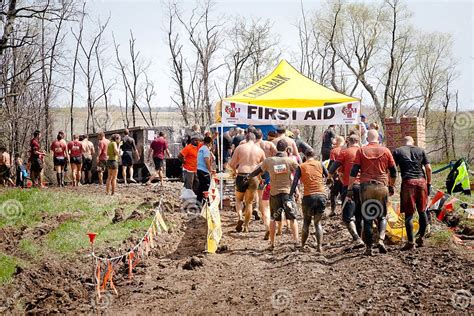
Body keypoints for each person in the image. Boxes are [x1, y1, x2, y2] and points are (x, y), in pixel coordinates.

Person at [348, 129, 397, 256]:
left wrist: (349, 188)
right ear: (378, 138)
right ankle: (381, 239)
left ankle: (369, 248)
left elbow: (354, 172)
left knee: (368, 218)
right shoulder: (386, 151)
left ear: (367, 138)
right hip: (382, 187)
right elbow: (394, 171)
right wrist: (392, 185)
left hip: (366, 188)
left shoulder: (361, 150)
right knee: (382, 216)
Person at [246, 139, 299, 250]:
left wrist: (249, 176)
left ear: (276, 148)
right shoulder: (290, 161)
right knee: (292, 218)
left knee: (273, 219)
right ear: (286, 149)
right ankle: (296, 241)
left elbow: (257, 171)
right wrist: (296, 188)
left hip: (274, 194)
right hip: (287, 194)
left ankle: (272, 243)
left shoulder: (269, 161)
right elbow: (300, 171)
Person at [392, 136, 432, 250]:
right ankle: (421, 237)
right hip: (421, 182)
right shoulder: (421, 150)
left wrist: (391, 184)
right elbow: (428, 168)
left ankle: (411, 242)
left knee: (409, 214)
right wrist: (429, 184)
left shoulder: (398, 151)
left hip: (408, 183)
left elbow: (393, 170)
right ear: (413, 142)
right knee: (422, 211)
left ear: (402, 142)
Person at [328, 135, 365, 248]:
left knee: (347, 217)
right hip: (364, 187)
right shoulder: (364, 152)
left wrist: (330, 176)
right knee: (360, 215)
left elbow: (332, 168)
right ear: (359, 141)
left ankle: (357, 238)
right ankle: (361, 239)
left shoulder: (344, 153)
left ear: (348, 142)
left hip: (349, 187)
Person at [290, 149, 327, 252]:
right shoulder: (320, 164)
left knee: (306, 222)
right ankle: (319, 246)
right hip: (321, 195)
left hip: (308, 197)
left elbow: (295, 182)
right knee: (317, 223)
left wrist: (290, 195)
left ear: (304, 156)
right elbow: (328, 176)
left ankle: (302, 246)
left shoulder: (301, 166)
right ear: (314, 155)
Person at [228, 132, 265, 233]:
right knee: (249, 203)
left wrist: (235, 172)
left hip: (241, 175)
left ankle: (240, 216)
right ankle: (246, 226)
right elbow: (264, 166)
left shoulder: (240, 148)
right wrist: (260, 176)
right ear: (255, 139)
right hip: (253, 177)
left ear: (246, 138)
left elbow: (231, 164)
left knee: (239, 200)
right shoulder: (260, 150)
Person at [255, 129, 277, 239]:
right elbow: (277, 155)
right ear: (263, 135)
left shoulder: (253, 145)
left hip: (258, 170)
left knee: (260, 196)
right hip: (269, 169)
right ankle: (269, 221)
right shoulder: (269, 144)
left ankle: (265, 220)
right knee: (267, 199)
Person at [328, 136, 345, 217]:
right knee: (343, 193)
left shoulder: (334, 151)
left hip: (336, 175)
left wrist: (329, 175)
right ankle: (343, 210)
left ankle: (333, 210)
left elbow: (332, 164)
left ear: (337, 141)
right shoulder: (346, 150)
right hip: (345, 175)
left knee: (333, 193)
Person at [196, 136, 214, 203]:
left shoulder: (201, 149)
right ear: (210, 143)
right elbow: (206, 160)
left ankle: (198, 202)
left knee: (200, 187)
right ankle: (206, 203)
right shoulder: (206, 150)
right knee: (206, 188)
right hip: (204, 171)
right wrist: (210, 170)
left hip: (199, 169)